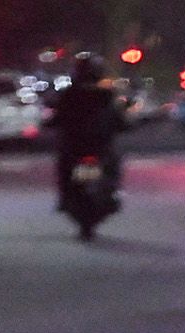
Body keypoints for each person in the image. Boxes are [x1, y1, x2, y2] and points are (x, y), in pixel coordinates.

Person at [47, 52, 128, 213]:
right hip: (86, 145)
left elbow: (57, 117)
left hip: (88, 145)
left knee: (110, 165)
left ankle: (70, 196)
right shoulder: (101, 95)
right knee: (67, 167)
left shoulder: (72, 95)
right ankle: (70, 196)